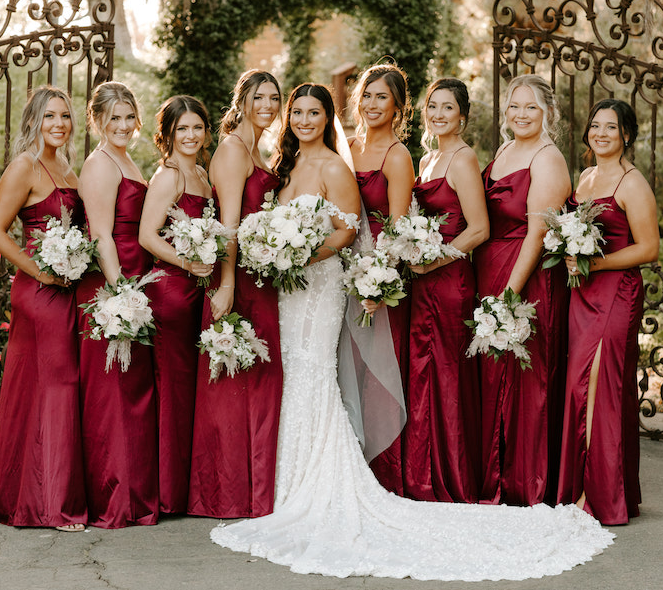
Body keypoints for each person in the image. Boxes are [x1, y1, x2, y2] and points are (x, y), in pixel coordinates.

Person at [209, 83, 614, 582]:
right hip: (294, 287)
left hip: (336, 280)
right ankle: (287, 481)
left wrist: (307, 256)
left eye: (314, 112)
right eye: (298, 112)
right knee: (300, 372)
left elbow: (363, 226)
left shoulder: (360, 163)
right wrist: (274, 251)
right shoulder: (291, 165)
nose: (302, 119)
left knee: (318, 372)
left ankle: (324, 484)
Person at [0, 86, 87, 532]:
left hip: (68, 288)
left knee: (54, 386)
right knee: (57, 385)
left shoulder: (66, 166)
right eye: (49, 117)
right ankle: (53, 505)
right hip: (39, 292)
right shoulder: (25, 165)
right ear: (34, 121)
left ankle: (30, 490)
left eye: (64, 116)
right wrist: (39, 273)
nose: (58, 124)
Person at [187, 70, 285, 518]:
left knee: (258, 382)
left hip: (260, 277)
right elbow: (227, 225)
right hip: (238, 282)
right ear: (241, 99)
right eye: (258, 96)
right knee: (232, 382)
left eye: (274, 97)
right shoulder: (230, 150)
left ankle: (255, 489)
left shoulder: (258, 149)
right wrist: (225, 286)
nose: (267, 104)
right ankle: (225, 492)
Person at [556, 99, 659, 525]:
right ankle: (587, 486)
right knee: (579, 386)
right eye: (595, 126)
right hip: (581, 294)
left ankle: (600, 496)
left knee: (601, 384)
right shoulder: (585, 177)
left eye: (610, 128)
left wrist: (594, 263)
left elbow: (649, 249)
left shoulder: (632, 184)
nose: (600, 134)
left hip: (617, 292)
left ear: (626, 136)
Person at [476, 75, 572, 506]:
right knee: (494, 376)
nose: (520, 114)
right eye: (514, 106)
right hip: (490, 268)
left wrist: (508, 298)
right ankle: (492, 472)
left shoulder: (548, 159)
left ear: (548, 112)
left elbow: (536, 234)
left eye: (530, 107)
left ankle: (523, 482)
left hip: (524, 278)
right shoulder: (505, 150)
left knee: (524, 377)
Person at [76, 81, 158, 528]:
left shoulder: (126, 158)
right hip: (116, 284)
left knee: (135, 391)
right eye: (114, 119)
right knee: (115, 393)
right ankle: (116, 499)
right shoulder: (100, 165)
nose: (123, 125)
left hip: (137, 281)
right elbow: (101, 234)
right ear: (98, 121)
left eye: (129, 117)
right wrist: (120, 293)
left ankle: (139, 492)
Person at [404, 78, 489, 503]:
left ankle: (453, 480)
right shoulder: (428, 158)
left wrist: (433, 260)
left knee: (448, 377)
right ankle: (423, 477)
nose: (438, 114)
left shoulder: (462, 158)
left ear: (463, 116)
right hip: (423, 284)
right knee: (423, 374)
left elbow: (479, 228)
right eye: (432, 106)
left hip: (451, 281)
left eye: (448, 108)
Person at [138, 96, 214, 515]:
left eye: (197, 128)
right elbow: (148, 236)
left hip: (198, 289)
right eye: (182, 129)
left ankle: (188, 485)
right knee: (173, 390)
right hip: (172, 292)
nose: (190, 136)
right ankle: (168, 493)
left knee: (191, 391)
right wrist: (188, 262)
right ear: (167, 134)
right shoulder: (167, 177)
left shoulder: (201, 172)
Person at [342, 63, 414, 494]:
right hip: (337, 270)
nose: (371, 104)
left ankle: (380, 473)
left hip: (374, 279)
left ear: (398, 107)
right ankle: (345, 460)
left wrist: (377, 284)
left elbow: (399, 226)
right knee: (343, 366)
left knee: (374, 370)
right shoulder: (346, 147)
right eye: (366, 95)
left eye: (381, 97)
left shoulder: (398, 156)